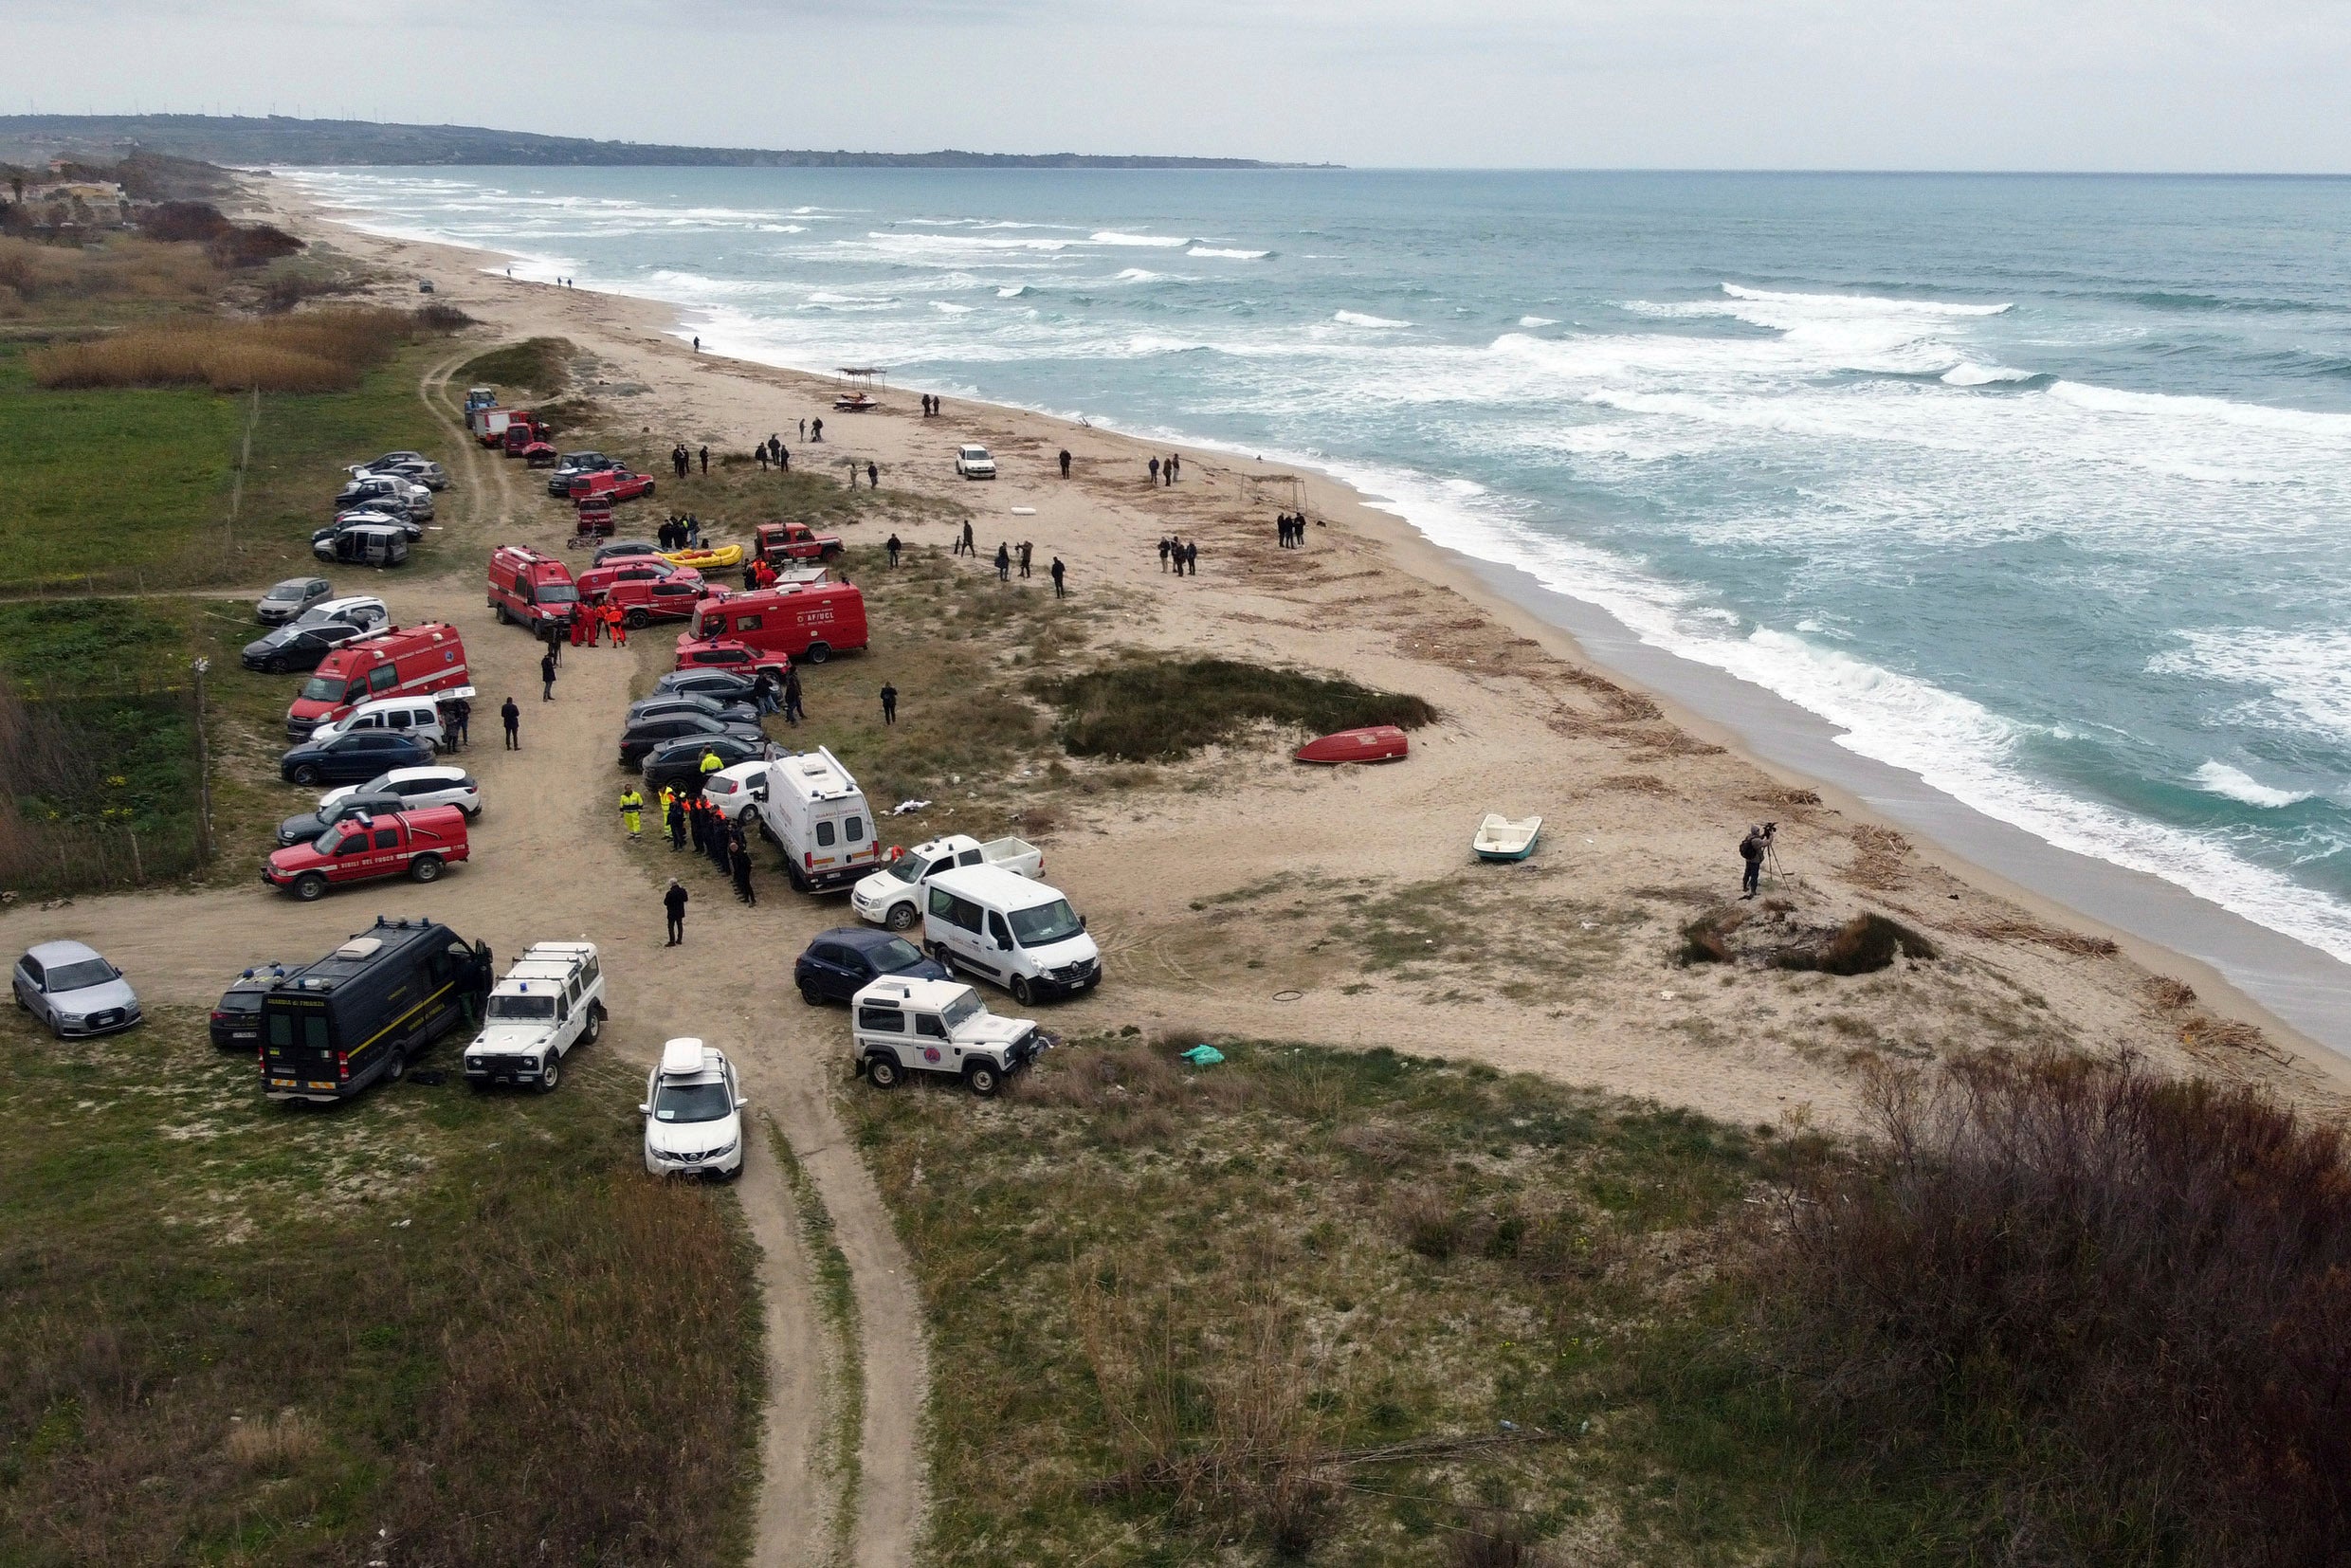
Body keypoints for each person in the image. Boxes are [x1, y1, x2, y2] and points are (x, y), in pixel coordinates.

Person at [1740, 824, 1772, 899]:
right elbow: (1766, 843)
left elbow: (1759, 838)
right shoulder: (1756, 841)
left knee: (1747, 873)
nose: (1758, 832)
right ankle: (1753, 891)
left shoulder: (1749, 837)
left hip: (1748, 859)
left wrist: (1764, 835)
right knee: (1754, 876)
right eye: (1758, 831)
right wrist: (1771, 836)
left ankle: (1744, 887)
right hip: (1755, 860)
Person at [730, 837, 756, 905]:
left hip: (745, 871)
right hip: (741, 871)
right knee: (744, 885)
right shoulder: (736, 853)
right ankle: (746, 898)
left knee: (747, 885)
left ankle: (753, 900)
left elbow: (747, 863)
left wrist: (747, 870)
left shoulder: (741, 854)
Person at [664, 879, 689, 946]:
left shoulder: (670, 893)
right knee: (679, 925)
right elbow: (686, 899)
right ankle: (679, 940)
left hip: (672, 912)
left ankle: (672, 941)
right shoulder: (682, 891)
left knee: (671, 926)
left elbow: (666, 903)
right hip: (680, 911)